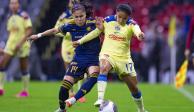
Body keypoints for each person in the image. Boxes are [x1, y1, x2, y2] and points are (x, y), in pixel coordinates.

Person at [72, 3, 147, 112]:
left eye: (124, 18)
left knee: (134, 88)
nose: (121, 20)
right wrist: (80, 41)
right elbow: (95, 32)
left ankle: (141, 110)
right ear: (116, 13)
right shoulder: (107, 21)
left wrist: (140, 35)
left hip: (124, 59)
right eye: (119, 17)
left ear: (128, 17)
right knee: (103, 66)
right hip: (108, 54)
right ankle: (100, 99)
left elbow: (138, 32)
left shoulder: (131, 24)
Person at [29, 3, 100, 112]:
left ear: (85, 14)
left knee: (94, 76)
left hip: (92, 59)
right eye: (76, 17)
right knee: (64, 87)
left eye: (81, 16)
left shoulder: (94, 23)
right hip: (78, 60)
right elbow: (54, 30)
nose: (79, 19)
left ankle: (74, 99)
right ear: (73, 17)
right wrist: (38, 35)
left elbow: (107, 28)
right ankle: (62, 109)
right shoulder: (70, 25)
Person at [54, 0, 87, 103]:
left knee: (81, 68)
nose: (73, 3)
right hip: (68, 45)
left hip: (80, 43)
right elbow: (56, 29)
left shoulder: (82, 15)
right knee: (69, 69)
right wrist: (66, 33)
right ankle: (70, 92)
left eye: (75, 1)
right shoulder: (64, 16)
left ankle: (80, 93)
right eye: (71, 1)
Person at [0, 0, 32, 97]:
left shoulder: (24, 15)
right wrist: (5, 45)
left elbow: (29, 30)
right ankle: (0, 89)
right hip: (11, 44)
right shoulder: (9, 16)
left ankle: (25, 91)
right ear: (9, 5)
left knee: (23, 68)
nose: (13, 5)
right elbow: (11, 33)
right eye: (11, 3)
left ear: (19, 5)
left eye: (15, 3)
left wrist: (20, 43)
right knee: (1, 64)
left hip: (22, 44)